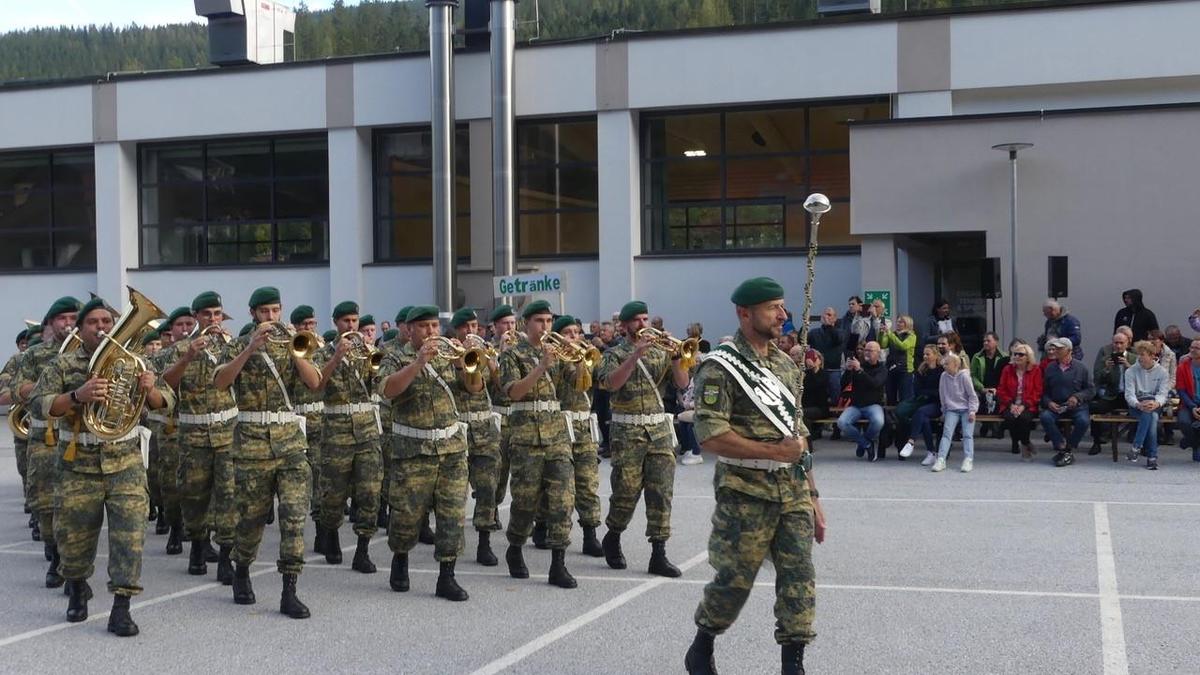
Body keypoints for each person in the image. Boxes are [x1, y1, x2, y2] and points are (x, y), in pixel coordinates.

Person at [684, 276, 825, 675]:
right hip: (745, 493)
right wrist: (773, 452)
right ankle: (702, 645)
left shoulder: (784, 364)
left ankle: (793, 663)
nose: (783, 315)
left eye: (783, 306)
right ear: (745, 313)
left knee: (799, 578)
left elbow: (800, 436)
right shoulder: (720, 367)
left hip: (793, 491)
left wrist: (814, 496)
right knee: (734, 581)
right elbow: (710, 436)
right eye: (772, 308)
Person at [36, 296, 175, 636]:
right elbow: (39, 405)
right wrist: (77, 396)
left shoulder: (134, 362)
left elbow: (166, 403)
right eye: (93, 323)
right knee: (74, 539)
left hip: (124, 462)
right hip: (78, 465)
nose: (101, 327)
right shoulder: (62, 365)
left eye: (106, 322)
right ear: (80, 329)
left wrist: (151, 390)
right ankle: (78, 588)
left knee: (129, 537)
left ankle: (122, 607)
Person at [213, 287, 324, 618]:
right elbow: (220, 382)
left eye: (275, 311)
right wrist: (249, 348)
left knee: (293, 517)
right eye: (264, 312)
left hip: (290, 443)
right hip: (251, 445)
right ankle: (242, 569)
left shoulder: (295, 343)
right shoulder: (237, 345)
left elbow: (315, 383)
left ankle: (289, 589)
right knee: (250, 518)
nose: (271, 318)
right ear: (252, 314)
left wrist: (295, 353)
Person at [376, 305, 478, 601]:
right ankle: (400, 559)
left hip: (451, 449)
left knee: (452, 515)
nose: (432, 332)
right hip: (413, 451)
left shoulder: (450, 353)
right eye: (424, 327)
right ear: (409, 330)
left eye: (435, 326)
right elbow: (388, 390)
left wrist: (464, 364)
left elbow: (474, 389)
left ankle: (447, 576)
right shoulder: (395, 356)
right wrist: (419, 363)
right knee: (407, 514)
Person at [597, 300, 690, 577]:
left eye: (645, 319)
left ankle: (658, 553)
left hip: (659, 431)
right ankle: (613, 534)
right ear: (624, 326)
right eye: (637, 320)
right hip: (627, 432)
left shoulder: (660, 352)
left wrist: (676, 357)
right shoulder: (613, 354)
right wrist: (635, 355)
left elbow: (683, 384)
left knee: (661, 492)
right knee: (626, 490)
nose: (643, 325)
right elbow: (610, 383)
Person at [160, 292, 239, 584]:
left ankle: (226, 553)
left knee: (229, 495)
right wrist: (188, 356)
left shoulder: (232, 346)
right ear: (195, 317)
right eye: (207, 315)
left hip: (228, 434)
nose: (213, 320)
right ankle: (197, 545)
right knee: (194, 495)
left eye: (217, 314)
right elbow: (165, 383)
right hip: (192, 436)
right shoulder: (178, 348)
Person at [498, 301, 577, 588]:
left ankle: (558, 564)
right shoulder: (512, 356)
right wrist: (542, 366)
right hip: (526, 439)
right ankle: (515, 547)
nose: (545, 326)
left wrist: (578, 360)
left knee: (562, 501)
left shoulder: (557, 353)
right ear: (525, 324)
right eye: (539, 321)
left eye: (548, 321)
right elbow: (515, 393)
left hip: (556, 437)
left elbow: (580, 386)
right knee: (525, 502)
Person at [313, 302, 384, 573]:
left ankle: (363, 549)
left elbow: (380, 383)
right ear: (336, 323)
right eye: (346, 321)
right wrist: (336, 358)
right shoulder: (322, 353)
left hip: (367, 431)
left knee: (369, 492)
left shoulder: (369, 352)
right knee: (333, 493)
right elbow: (317, 385)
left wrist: (372, 356)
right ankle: (330, 534)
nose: (351, 326)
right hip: (336, 433)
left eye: (354, 320)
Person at [13, 296, 81, 578]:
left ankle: (71, 561)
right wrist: (51, 390)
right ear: (51, 324)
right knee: (45, 502)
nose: (69, 324)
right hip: (44, 437)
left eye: (74, 319)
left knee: (75, 504)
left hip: (78, 438)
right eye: (63, 319)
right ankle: (53, 553)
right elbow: (19, 389)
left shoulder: (90, 354)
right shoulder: (35, 354)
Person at [449, 307, 505, 566]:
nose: (471, 331)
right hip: (457, 430)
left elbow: (500, 384)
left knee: (487, 489)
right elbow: (466, 387)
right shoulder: (447, 353)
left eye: (474, 326)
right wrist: (460, 360)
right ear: (456, 330)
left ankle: (484, 542)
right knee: (454, 493)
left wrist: (492, 361)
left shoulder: (485, 352)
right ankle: (451, 542)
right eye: (466, 327)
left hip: (484, 430)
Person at [549, 316, 605, 554]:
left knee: (588, 482)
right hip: (560, 426)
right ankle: (545, 527)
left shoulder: (588, 357)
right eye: (568, 332)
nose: (574, 336)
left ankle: (590, 533)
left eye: (577, 332)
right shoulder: (553, 360)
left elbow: (598, 385)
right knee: (558, 485)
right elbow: (575, 382)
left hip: (584, 427)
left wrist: (586, 359)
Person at [289, 304, 326, 531]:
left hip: (320, 418)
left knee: (320, 473)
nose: (309, 328)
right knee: (299, 476)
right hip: (297, 417)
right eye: (304, 325)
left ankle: (321, 525)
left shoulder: (321, 347)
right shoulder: (290, 345)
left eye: (312, 323)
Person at [1039, 337, 1094, 467]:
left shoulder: (1081, 368)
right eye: (1055, 348)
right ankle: (1061, 445)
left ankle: (1068, 448)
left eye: (1059, 348)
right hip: (1057, 405)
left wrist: (1077, 397)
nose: (1056, 350)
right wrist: (1049, 402)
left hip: (1077, 406)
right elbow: (1044, 392)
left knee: (1083, 421)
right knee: (1045, 417)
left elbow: (1091, 390)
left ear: (1069, 350)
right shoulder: (1050, 368)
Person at [836, 341, 887, 461]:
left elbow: (875, 384)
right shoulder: (858, 365)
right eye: (866, 350)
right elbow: (843, 385)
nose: (867, 353)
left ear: (878, 353)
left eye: (871, 350)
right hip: (856, 405)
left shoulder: (882, 369)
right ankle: (867, 444)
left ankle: (862, 442)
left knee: (879, 421)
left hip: (874, 405)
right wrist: (848, 370)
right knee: (842, 422)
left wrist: (860, 371)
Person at [1123, 340, 1171, 469]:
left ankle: (1136, 448)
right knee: (1152, 417)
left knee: (1151, 414)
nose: (1140, 358)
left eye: (1143, 354)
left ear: (1152, 356)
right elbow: (1129, 394)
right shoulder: (1131, 371)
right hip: (1137, 405)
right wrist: (1138, 404)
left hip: (1154, 404)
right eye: (1139, 354)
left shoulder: (1162, 372)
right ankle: (1152, 458)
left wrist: (1156, 403)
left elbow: (1163, 394)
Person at [897, 346, 944, 466]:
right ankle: (931, 452)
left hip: (939, 404)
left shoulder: (942, 371)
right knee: (924, 419)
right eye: (924, 354)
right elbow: (918, 391)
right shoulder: (921, 370)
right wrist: (930, 392)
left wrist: (928, 393)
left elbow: (941, 392)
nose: (925, 357)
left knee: (921, 412)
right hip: (923, 402)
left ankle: (911, 442)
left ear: (935, 355)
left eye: (928, 354)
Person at [997, 342, 1043, 460]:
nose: (1017, 356)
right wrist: (1011, 405)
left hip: (1028, 405)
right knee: (1010, 418)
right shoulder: (1007, 369)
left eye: (1021, 354)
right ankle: (1027, 443)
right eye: (1015, 354)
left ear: (1028, 357)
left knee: (1023, 418)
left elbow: (1037, 392)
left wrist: (1024, 405)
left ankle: (1024, 443)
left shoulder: (1036, 370)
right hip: (1008, 404)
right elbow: (1001, 390)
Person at [933, 354, 978, 473]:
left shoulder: (964, 376)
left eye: (947, 364)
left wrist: (972, 411)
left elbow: (972, 395)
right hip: (951, 409)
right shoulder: (943, 376)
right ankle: (941, 459)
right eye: (944, 363)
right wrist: (944, 410)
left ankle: (968, 459)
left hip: (966, 409)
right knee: (946, 434)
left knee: (967, 435)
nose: (944, 366)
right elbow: (942, 395)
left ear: (956, 365)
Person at [1089, 332, 1133, 454]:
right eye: (1116, 343)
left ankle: (1141, 443)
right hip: (1112, 395)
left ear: (1127, 343)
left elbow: (1141, 378)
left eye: (1121, 343)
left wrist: (1128, 367)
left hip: (1129, 396)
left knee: (1142, 410)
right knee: (1095, 408)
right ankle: (1096, 442)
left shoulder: (1134, 358)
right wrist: (1106, 369)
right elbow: (1097, 379)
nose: (1118, 346)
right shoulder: (1105, 359)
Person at [970, 332, 1009, 438]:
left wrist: (997, 389)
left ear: (996, 342)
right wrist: (982, 388)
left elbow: (1006, 377)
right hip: (981, 388)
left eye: (988, 341)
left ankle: (990, 426)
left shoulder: (1005, 357)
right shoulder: (977, 357)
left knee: (997, 399)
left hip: (998, 388)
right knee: (979, 400)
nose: (985, 343)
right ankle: (989, 425)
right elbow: (972, 376)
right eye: (984, 341)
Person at [808, 307, 846, 406]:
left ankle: (835, 416)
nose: (826, 317)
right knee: (818, 395)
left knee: (835, 394)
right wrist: (805, 324)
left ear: (835, 318)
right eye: (824, 314)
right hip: (818, 370)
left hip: (833, 370)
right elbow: (802, 340)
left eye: (829, 315)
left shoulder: (840, 332)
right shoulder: (814, 332)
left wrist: (829, 326)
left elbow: (837, 339)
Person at [878, 314, 916, 405]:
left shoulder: (912, 336)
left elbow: (903, 346)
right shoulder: (893, 334)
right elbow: (883, 344)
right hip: (891, 367)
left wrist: (890, 334)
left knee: (905, 396)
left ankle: (903, 416)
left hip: (905, 369)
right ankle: (891, 416)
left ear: (907, 324)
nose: (898, 323)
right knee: (890, 395)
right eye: (898, 321)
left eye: (901, 322)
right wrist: (881, 333)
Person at [1175, 338, 1200, 460]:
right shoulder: (1182, 366)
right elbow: (1181, 390)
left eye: (1197, 348)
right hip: (1188, 403)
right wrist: (1193, 406)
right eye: (1192, 347)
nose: (1193, 350)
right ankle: (1194, 443)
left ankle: (1188, 442)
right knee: (1184, 422)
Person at [800, 350, 831, 448]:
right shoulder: (805, 374)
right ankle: (809, 442)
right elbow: (806, 388)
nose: (812, 361)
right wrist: (808, 372)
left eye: (815, 359)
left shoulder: (824, 374)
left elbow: (818, 386)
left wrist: (812, 371)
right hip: (807, 407)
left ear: (819, 361)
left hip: (820, 408)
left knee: (802, 414)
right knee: (803, 417)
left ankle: (809, 445)